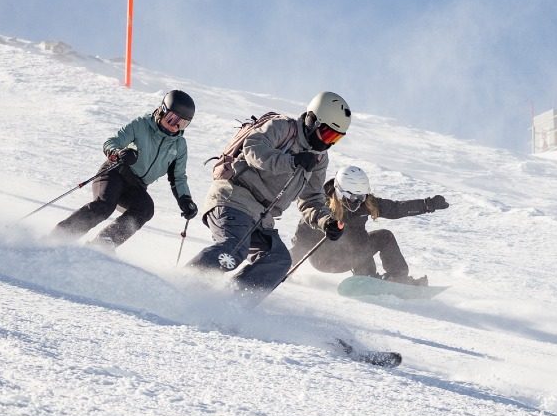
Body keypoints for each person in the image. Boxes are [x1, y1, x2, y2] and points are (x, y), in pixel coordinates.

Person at [190, 91, 350, 295]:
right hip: (234, 198)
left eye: (336, 138)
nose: (328, 143)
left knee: (279, 261)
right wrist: (292, 161)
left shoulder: (319, 159)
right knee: (233, 248)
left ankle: (232, 303)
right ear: (312, 121)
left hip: (261, 218)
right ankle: (186, 286)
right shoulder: (282, 127)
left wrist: (325, 221)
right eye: (328, 134)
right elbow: (253, 148)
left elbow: (311, 199)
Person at [55, 90, 199, 247]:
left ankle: (104, 243)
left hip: (136, 186)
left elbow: (178, 178)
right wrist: (118, 154)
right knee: (104, 206)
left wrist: (185, 200)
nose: (175, 127)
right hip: (115, 172)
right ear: (162, 111)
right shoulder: (141, 125)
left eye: (182, 123)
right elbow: (112, 142)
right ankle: (61, 235)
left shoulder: (179, 145)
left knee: (145, 209)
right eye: (172, 119)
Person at [292, 165, 447, 285]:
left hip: (353, 253)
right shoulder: (322, 208)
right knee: (357, 242)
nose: (356, 202)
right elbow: (302, 237)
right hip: (325, 259)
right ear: (339, 192)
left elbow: (395, 208)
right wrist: (287, 265)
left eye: (360, 197)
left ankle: (399, 278)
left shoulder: (365, 203)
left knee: (384, 236)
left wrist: (427, 204)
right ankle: (368, 277)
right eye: (351, 197)